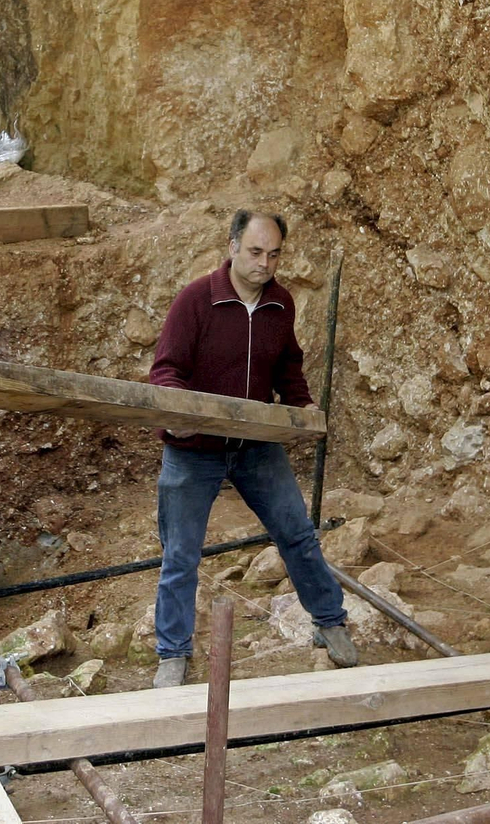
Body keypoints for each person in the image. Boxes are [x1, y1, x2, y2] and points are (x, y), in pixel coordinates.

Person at [147, 210, 357, 688]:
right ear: (232, 247)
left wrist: (302, 408)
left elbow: (288, 367)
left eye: (274, 254)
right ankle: (172, 653)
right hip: (194, 447)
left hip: (256, 445)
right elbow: (166, 370)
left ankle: (330, 622)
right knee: (180, 553)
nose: (265, 263)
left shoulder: (280, 304)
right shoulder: (196, 301)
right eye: (256, 252)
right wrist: (177, 414)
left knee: (297, 533)